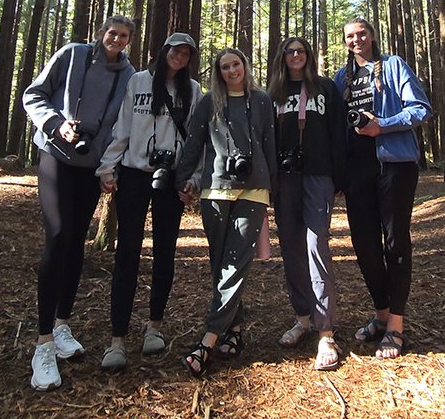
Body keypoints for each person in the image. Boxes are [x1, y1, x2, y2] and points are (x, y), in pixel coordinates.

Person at [22, 15, 136, 390]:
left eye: (123, 36)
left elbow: (123, 123)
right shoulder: (71, 55)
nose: (116, 40)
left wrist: (109, 168)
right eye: (112, 33)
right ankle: (41, 344)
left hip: (90, 168)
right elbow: (33, 94)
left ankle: (61, 324)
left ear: (129, 41)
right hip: (56, 155)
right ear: (102, 33)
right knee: (57, 236)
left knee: (75, 243)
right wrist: (56, 123)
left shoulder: (129, 74)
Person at [96, 31, 203, 370]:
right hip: (135, 174)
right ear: (164, 50)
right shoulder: (139, 81)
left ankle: (154, 327)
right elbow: (123, 128)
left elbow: (198, 139)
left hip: (172, 178)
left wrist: (193, 180)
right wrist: (107, 167)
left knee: (164, 254)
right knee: (128, 252)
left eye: (187, 54)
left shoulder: (194, 90)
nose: (180, 58)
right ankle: (117, 338)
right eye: (176, 51)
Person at [333, 19, 431, 360]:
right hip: (357, 170)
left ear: (372, 36)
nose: (356, 39)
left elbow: (421, 109)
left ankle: (396, 326)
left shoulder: (392, 66)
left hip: (395, 166)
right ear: (345, 42)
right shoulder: (340, 78)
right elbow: (335, 126)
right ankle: (381, 313)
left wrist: (382, 126)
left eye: (361, 33)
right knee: (364, 244)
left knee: (395, 242)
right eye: (350, 36)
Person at [175, 47, 277, 377]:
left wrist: (272, 185)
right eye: (225, 67)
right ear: (218, 73)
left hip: (254, 188)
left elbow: (269, 143)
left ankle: (208, 339)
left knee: (236, 263)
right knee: (221, 264)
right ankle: (234, 329)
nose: (232, 71)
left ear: (245, 66)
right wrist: (183, 178)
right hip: (216, 187)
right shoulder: (209, 102)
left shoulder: (261, 100)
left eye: (236, 64)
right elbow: (194, 143)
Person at [267, 35, 346, 372]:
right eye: (290, 51)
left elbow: (339, 133)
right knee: (291, 247)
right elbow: (265, 137)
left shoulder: (325, 89)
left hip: (318, 175)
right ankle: (302, 318)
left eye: (301, 51)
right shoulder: (272, 95)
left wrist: (338, 177)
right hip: (284, 179)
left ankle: (325, 331)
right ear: (282, 57)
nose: (295, 55)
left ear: (308, 56)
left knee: (316, 245)